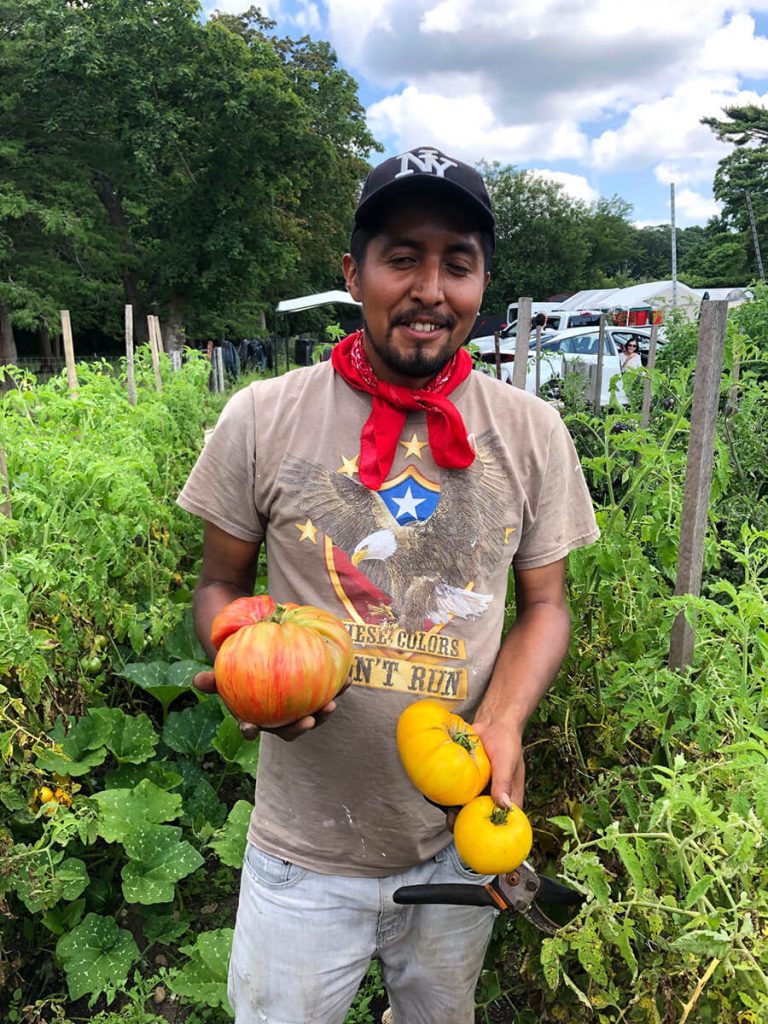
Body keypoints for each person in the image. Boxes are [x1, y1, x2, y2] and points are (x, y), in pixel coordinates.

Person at [177, 145, 600, 1024]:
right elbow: (220, 584)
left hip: (458, 836)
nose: (430, 290)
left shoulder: (530, 432)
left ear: (484, 280)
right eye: (402, 257)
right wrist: (246, 669)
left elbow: (546, 605)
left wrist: (505, 721)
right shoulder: (265, 415)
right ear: (354, 271)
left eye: (458, 263)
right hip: (302, 851)